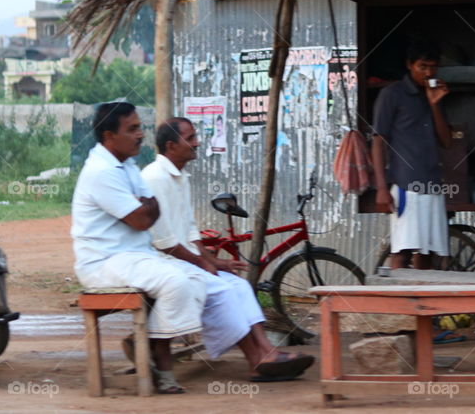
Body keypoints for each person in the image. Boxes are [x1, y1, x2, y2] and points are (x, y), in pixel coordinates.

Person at [142, 117, 313, 382]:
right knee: (223, 291)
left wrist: (212, 260)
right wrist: (203, 263)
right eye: (190, 138)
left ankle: (267, 350)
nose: (197, 143)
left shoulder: (180, 177)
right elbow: (163, 241)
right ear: (170, 145)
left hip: (183, 260)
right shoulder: (154, 177)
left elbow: (189, 231)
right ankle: (256, 361)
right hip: (163, 263)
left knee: (240, 286)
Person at [71, 102, 207, 393]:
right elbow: (142, 219)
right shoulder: (100, 171)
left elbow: (148, 210)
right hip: (103, 263)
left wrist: (146, 208)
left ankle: (148, 347)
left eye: (140, 127)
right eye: (132, 129)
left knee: (197, 279)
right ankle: (159, 362)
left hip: (135, 257)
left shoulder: (128, 166)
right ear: (109, 136)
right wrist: (146, 207)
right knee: (175, 281)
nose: (141, 135)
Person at [372, 39, 452, 269]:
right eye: (423, 66)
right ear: (410, 65)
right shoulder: (392, 94)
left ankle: (421, 304)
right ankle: (396, 302)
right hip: (405, 184)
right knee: (403, 250)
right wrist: (381, 188)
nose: (428, 73)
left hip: (433, 182)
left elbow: (446, 141)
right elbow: (378, 141)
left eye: (433, 67)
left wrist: (435, 103)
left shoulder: (434, 94)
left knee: (427, 252)